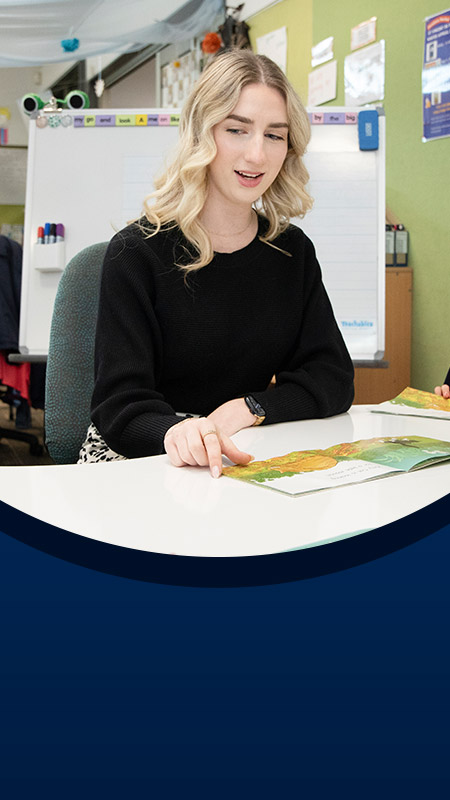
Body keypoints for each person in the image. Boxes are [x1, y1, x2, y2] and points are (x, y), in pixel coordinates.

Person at [78, 49, 354, 475]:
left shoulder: (291, 252)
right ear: (201, 134)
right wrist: (179, 431)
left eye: (274, 135)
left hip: (237, 454)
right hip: (142, 458)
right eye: (237, 130)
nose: (257, 155)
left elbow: (333, 377)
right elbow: (120, 407)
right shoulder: (135, 254)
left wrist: (249, 407)